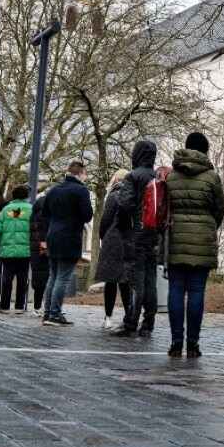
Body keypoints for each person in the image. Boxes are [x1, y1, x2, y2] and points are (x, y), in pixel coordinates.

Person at [164, 132, 224, 358]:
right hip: (202, 240)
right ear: (205, 151)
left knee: (176, 290)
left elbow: (165, 208)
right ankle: (193, 344)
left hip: (176, 238)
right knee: (197, 290)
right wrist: (208, 227)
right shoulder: (211, 177)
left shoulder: (171, 177)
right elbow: (219, 210)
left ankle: (175, 342)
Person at [113, 141, 160, 338]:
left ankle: (130, 322)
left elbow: (124, 206)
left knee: (136, 279)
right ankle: (148, 323)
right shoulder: (158, 177)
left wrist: (123, 226)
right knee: (151, 279)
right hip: (154, 234)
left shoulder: (133, 177)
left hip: (136, 234)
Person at [40, 162, 94, 327]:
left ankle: (47, 313)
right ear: (80, 173)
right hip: (70, 237)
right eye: (84, 174)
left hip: (53, 236)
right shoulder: (81, 190)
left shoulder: (53, 190)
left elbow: (45, 213)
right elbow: (87, 215)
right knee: (62, 278)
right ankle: (55, 314)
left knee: (53, 277)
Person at [95, 169, 132, 330]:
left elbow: (106, 220)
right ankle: (128, 316)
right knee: (125, 281)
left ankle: (108, 317)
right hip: (128, 240)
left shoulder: (113, 195)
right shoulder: (133, 196)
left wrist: (103, 235)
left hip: (113, 240)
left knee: (110, 281)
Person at [0, 186, 33, 314]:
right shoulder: (30, 209)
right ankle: (19, 307)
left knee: (6, 278)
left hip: (8, 250)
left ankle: (5, 306)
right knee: (22, 279)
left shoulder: (5, 210)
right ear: (26, 196)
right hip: (25, 250)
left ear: (13, 196)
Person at [29, 189, 52, 317]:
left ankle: (38, 306)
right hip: (44, 247)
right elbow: (46, 229)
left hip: (35, 246)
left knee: (39, 276)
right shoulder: (47, 211)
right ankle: (40, 306)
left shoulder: (35, 211)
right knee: (45, 277)